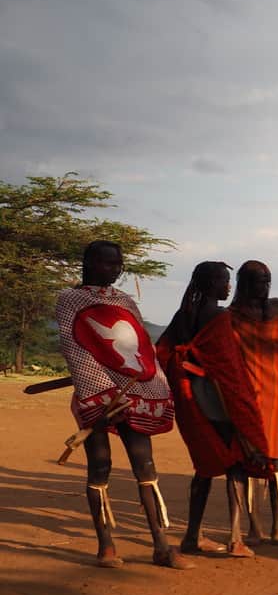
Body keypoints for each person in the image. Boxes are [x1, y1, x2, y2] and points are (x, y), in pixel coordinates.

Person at [55, 240, 186, 569]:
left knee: (145, 466)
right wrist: (104, 391)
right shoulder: (70, 300)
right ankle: (106, 545)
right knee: (100, 465)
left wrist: (155, 385)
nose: (116, 269)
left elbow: (143, 347)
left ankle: (161, 545)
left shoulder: (126, 301)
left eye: (119, 263)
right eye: (108, 262)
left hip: (135, 393)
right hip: (97, 396)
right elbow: (75, 348)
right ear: (89, 263)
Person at [182, 260, 278, 556]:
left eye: (267, 280)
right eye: (257, 281)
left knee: (276, 459)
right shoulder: (230, 316)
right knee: (250, 458)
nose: (263, 286)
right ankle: (252, 527)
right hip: (247, 395)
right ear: (243, 283)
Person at [155, 260, 235, 553]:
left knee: (204, 466)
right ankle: (236, 537)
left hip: (188, 400)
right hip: (214, 400)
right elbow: (229, 367)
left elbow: (160, 352)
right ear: (212, 283)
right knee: (234, 463)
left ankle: (192, 534)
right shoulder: (219, 317)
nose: (228, 286)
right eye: (224, 280)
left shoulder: (184, 314)